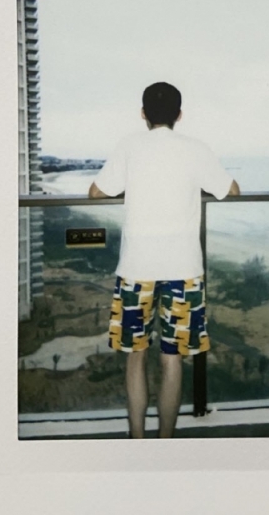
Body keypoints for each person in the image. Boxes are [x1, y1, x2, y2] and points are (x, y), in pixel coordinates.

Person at [88, 82, 239, 438]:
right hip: (183, 271)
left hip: (136, 269)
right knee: (172, 359)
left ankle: (138, 440)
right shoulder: (196, 149)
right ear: (179, 115)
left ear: (143, 114)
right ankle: (165, 442)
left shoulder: (129, 146)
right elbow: (231, 190)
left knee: (136, 355)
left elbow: (96, 191)